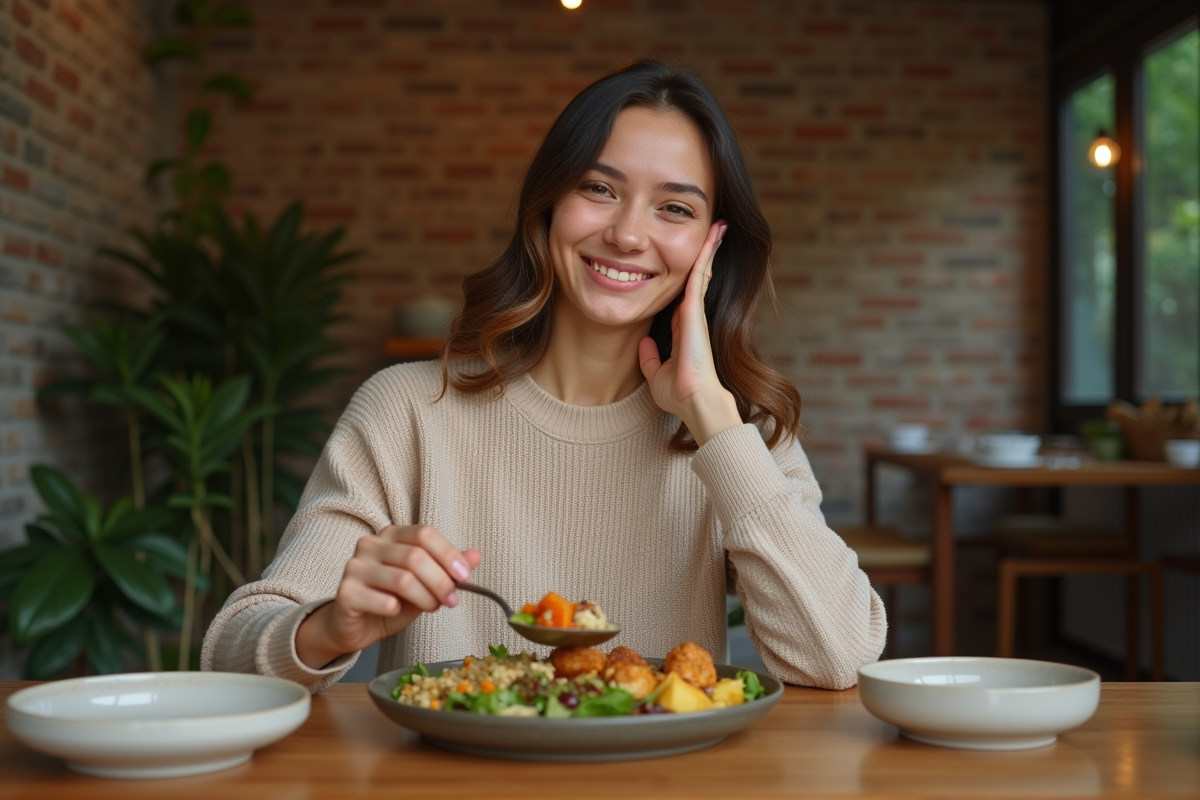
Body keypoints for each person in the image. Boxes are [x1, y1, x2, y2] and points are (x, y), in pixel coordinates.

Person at [201, 59, 886, 692]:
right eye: (598, 188)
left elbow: (842, 656)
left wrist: (708, 414)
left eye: (674, 208)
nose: (626, 233)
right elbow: (235, 651)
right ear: (549, 204)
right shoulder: (408, 410)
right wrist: (328, 628)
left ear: (713, 243)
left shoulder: (739, 436)